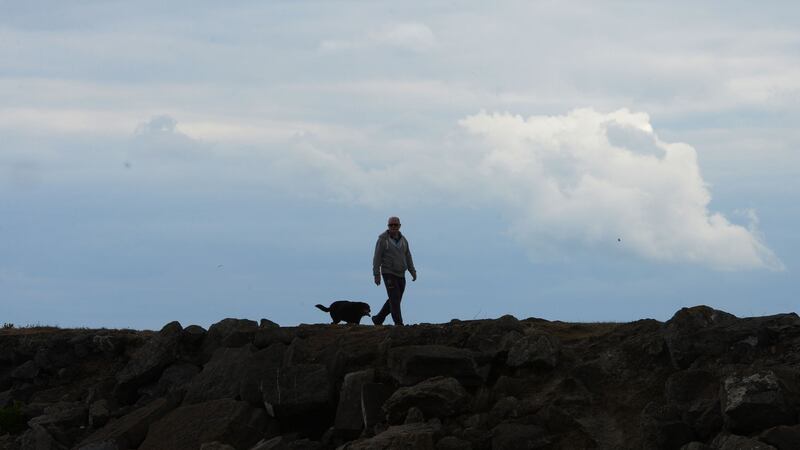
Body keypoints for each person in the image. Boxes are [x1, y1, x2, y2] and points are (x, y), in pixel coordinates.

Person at [372, 216, 417, 326]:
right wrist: (376, 274)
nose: (393, 227)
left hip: (401, 273)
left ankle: (378, 319)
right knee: (395, 299)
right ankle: (399, 323)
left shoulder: (404, 240)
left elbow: (408, 255)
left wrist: (412, 270)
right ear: (388, 226)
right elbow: (377, 257)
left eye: (395, 225)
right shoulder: (382, 239)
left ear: (399, 226)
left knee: (395, 299)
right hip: (388, 273)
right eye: (390, 225)